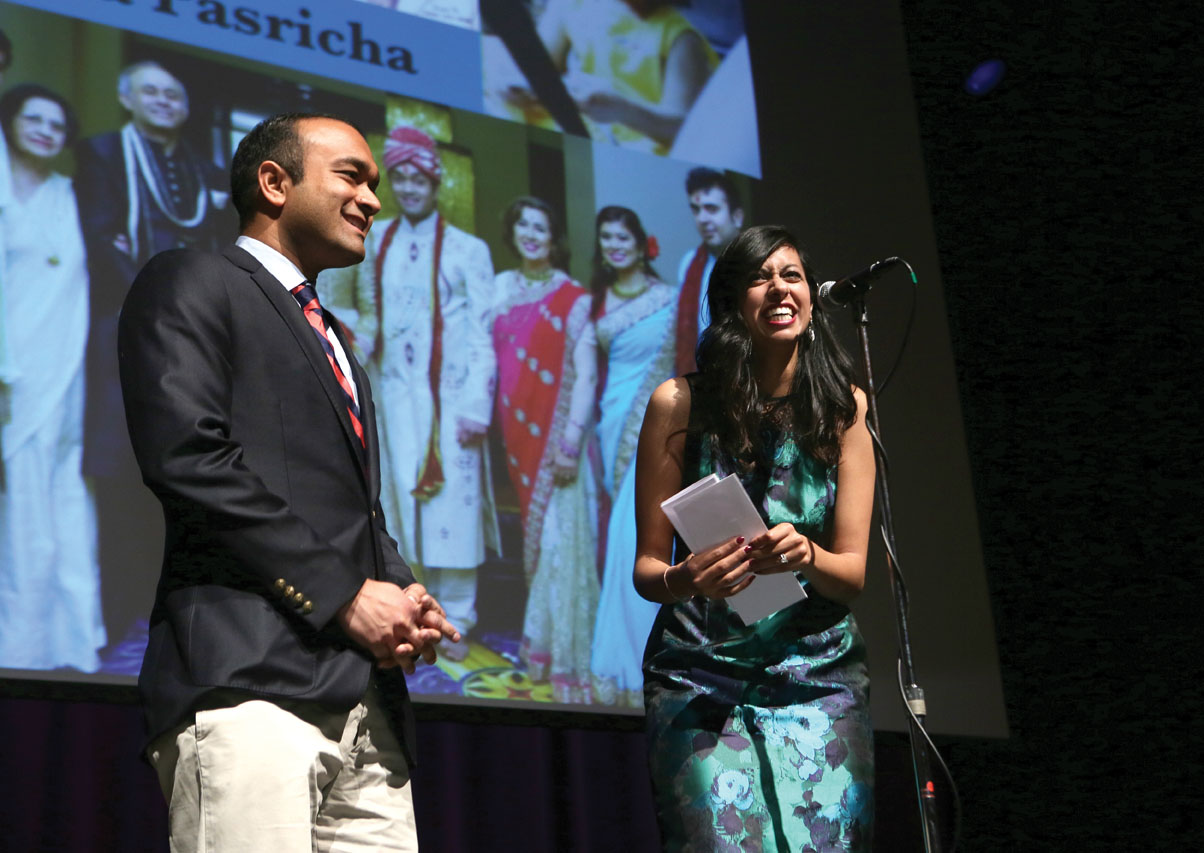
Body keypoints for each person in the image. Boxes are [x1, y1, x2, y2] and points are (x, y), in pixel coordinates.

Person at [118, 113, 460, 851]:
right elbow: (189, 458)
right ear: (275, 183)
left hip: (370, 717)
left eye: (374, 183)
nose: (373, 199)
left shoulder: (337, 340)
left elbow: (353, 509)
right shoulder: (192, 279)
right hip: (250, 685)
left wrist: (400, 590)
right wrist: (345, 595)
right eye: (352, 177)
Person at [634, 225, 877, 849]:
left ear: (812, 296)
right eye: (758, 278)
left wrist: (808, 553)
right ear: (730, 303)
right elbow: (648, 569)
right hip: (700, 671)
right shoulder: (680, 403)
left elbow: (851, 574)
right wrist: (685, 577)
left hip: (819, 673)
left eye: (791, 275)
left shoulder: (845, 409)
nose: (779, 289)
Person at [74, 60, 229, 649]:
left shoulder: (204, 167)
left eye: (173, 94)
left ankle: (179, 608)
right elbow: (100, 238)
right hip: (124, 329)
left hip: (193, 338)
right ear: (126, 98)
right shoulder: (102, 154)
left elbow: (215, 245)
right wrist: (157, 302)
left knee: (186, 470)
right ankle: (119, 614)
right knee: (119, 471)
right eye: (151, 92)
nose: (164, 101)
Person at [336, 125, 496, 662]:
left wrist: (476, 404)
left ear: (434, 183)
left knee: (454, 507)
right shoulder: (377, 240)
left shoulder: (469, 250)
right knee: (400, 503)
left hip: (451, 398)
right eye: (398, 178)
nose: (408, 188)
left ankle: (459, 615)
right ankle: (413, 610)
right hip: (393, 393)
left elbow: (482, 332)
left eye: (417, 179)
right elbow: (367, 312)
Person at [0, 84, 105, 672]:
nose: (45, 130)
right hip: (10, 376)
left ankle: (70, 642)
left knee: (63, 497)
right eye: (33, 119)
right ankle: (19, 648)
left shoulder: (70, 195)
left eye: (56, 124)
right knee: (19, 504)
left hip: (63, 370)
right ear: (10, 122)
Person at [491, 196, 599, 701]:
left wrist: (571, 442)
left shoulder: (574, 299)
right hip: (515, 437)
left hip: (558, 441)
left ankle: (560, 653)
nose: (531, 235)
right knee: (537, 544)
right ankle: (540, 645)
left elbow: (585, 374)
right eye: (523, 226)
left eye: (541, 227)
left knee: (559, 545)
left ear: (554, 238)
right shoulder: (499, 289)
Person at [588, 205, 676, 706]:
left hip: (654, 427)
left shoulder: (669, 299)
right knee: (622, 538)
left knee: (634, 538)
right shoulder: (595, 301)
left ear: (642, 243)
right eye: (606, 238)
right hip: (611, 421)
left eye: (623, 237)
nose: (614, 245)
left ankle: (633, 659)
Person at [495, 0, 718, 155]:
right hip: (572, 127)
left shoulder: (681, 38)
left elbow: (682, 130)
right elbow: (537, 67)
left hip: (637, 147)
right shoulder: (571, 4)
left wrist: (622, 110)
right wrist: (519, 86)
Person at [673, 166, 744, 375]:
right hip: (703, 376)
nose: (702, 219)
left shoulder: (758, 262)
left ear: (737, 216)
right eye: (696, 210)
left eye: (711, 209)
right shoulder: (690, 263)